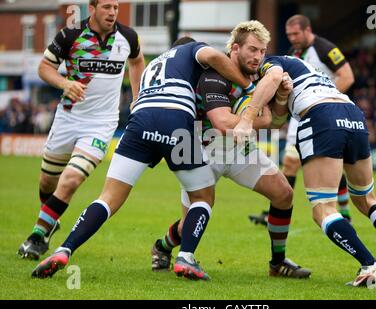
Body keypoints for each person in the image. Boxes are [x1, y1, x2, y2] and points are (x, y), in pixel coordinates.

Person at [31, 36, 257, 281]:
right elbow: (213, 56)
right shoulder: (191, 50)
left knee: (108, 198)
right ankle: (186, 257)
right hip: (176, 120)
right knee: (203, 197)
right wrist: (248, 85)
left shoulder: (154, 63)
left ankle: (65, 249)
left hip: (139, 122)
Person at [233, 55, 376, 287]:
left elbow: (273, 82)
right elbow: (279, 115)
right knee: (367, 199)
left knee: (322, 209)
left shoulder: (273, 63)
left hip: (321, 116)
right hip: (352, 113)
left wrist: (246, 118)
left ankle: (369, 265)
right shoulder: (308, 70)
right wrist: (282, 97)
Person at [151, 21, 311, 279]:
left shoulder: (259, 76)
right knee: (190, 223)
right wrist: (259, 118)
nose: (258, 56)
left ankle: (277, 263)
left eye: (262, 50)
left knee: (284, 195)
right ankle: (162, 247)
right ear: (235, 48)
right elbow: (223, 123)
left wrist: (281, 97)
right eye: (252, 49)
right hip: (201, 150)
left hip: (240, 150)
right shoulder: (214, 75)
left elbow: (276, 122)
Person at [18, 0, 145, 260]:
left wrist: (137, 98)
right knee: (47, 183)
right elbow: (44, 68)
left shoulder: (128, 37)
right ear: (92, 7)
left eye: (116, 8)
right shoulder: (70, 35)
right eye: (107, 7)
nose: (112, 13)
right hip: (67, 118)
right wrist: (65, 83)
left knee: (72, 179)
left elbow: (137, 61)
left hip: (101, 124)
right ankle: (50, 218)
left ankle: (37, 237)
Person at [249, 14, 355, 226]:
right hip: (301, 114)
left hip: (325, 111)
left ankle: (344, 212)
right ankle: (277, 211)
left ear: (308, 30)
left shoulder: (325, 48)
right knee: (290, 164)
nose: (293, 38)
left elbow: (347, 76)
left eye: (296, 34)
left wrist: (322, 101)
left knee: (327, 163)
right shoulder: (292, 54)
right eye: (289, 35)